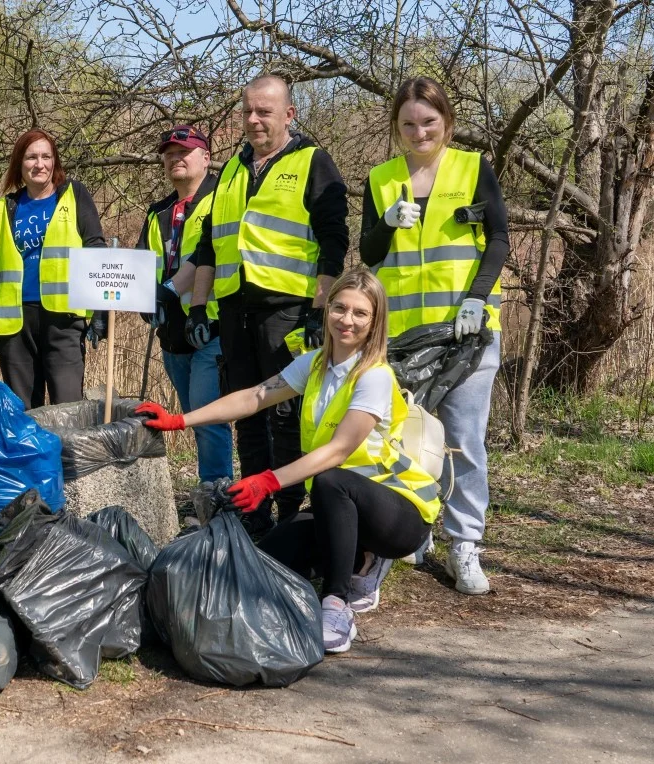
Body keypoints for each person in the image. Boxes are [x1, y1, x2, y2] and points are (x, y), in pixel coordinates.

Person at [137, 270, 440, 653]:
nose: (347, 320)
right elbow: (254, 397)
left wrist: (268, 481)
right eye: (340, 308)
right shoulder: (314, 364)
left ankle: (337, 604)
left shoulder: (374, 377)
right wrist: (180, 420)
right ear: (327, 309)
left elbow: (339, 451)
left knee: (331, 478)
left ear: (375, 321)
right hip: (338, 507)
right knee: (265, 559)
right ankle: (359, 557)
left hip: (400, 513)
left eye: (360, 313)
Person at [176, 74, 350, 534]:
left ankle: (291, 515)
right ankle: (254, 515)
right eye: (247, 111)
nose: (253, 120)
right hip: (235, 312)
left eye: (264, 112)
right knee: (246, 417)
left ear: (288, 114)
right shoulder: (233, 170)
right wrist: (198, 307)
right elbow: (210, 246)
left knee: (285, 415)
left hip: (288, 311)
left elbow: (334, 242)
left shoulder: (313, 161)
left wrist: (321, 309)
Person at [361, 77, 509, 595]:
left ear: (446, 121)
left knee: (463, 441)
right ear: (396, 127)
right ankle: (412, 531)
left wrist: (477, 297)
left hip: (465, 332)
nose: (419, 132)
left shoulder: (472, 168)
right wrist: (385, 223)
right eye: (408, 124)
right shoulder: (381, 178)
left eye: (428, 122)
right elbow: (369, 253)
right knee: (406, 440)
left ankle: (464, 543)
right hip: (403, 337)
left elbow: (498, 239)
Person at [0, 128, 107, 409]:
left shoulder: (74, 194)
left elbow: (95, 246)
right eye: (31, 157)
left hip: (64, 320)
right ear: (19, 164)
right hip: (16, 326)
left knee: (67, 409)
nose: (39, 164)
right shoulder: (4, 208)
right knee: (24, 413)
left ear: (55, 161)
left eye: (46, 156)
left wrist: (101, 308)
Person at [138, 125, 232, 485]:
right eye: (169, 154)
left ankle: (217, 494)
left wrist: (168, 291)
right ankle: (210, 492)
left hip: (211, 327)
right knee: (193, 414)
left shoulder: (222, 199)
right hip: (171, 333)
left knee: (208, 418)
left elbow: (209, 255)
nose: (175, 158)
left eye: (184, 152)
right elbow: (140, 263)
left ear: (206, 158)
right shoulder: (158, 211)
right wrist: (141, 297)